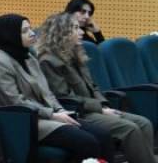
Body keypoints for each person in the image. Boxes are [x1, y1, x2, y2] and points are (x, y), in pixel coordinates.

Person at [0, 14, 113, 162]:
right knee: (87, 142)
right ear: (10, 35)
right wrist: (52, 115)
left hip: (49, 115)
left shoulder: (29, 57)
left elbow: (47, 92)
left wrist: (59, 110)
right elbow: (16, 102)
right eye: (25, 31)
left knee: (103, 135)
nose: (32, 33)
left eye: (30, 28)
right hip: (28, 121)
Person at [38, 13, 157, 163]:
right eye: (75, 28)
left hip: (95, 108)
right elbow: (65, 97)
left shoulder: (75, 54)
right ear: (61, 33)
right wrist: (100, 109)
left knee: (144, 123)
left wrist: (103, 106)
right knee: (130, 128)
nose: (81, 32)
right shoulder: (49, 61)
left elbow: (93, 86)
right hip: (79, 112)